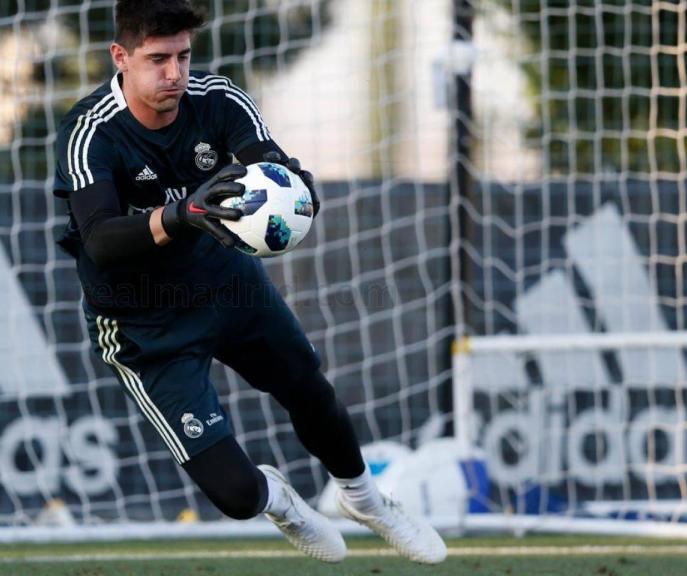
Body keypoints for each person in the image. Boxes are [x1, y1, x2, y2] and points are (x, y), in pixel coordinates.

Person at [53, 0, 446, 564]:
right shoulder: (90, 132)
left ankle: (366, 500)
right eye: (157, 59)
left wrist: (298, 190)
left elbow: (275, 165)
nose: (174, 74)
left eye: (183, 56)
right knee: (236, 496)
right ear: (121, 56)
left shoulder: (218, 101)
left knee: (308, 386)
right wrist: (184, 212)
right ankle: (282, 501)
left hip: (225, 283)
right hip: (143, 322)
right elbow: (101, 241)